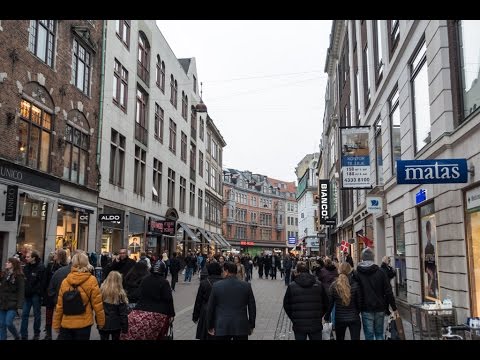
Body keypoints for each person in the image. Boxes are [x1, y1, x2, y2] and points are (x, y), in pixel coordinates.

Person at [53, 252, 105, 340]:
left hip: (66, 323)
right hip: (84, 323)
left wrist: (56, 325)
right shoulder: (92, 280)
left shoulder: (65, 281)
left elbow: (60, 306)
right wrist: (101, 322)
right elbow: (97, 304)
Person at [120, 261, 175, 340]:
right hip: (158, 313)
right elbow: (169, 299)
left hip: (140, 309)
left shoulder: (145, 279)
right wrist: (172, 314)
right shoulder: (164, 282)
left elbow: (140, 294)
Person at [354, 248, 398, 340]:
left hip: (366, 308)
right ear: (373, 258)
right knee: (379, 334)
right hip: (379, 307)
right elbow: (388, 291)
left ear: (362, 258)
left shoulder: (357, 273)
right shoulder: (380, 272)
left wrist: (356, 308)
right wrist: (394, 308)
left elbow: (356, 292)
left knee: (369, 335)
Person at [206, 262, 256, 340]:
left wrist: (209, 325)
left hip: (222, 325)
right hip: (241, 325)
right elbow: (252, 307)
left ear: (226, 271)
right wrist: (251, 325)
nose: (222, 273)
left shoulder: (217, 286)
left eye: (223, 271)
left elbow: (210, 308)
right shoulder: (246, 286)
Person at [283, 261, 329, 340]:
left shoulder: (292, 286)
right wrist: (319, 315)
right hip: (315, 324)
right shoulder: (318, 284)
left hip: (299, 325)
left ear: (297, 272)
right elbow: (326, 303)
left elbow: (286, 305)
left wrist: (294, 317)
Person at [325, 262, 362, 340]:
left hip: (340, 318)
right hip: (354, 317)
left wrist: (327, 316)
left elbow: (330, 304)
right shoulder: (355, 285)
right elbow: (359, 303)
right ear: (350, 271)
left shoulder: (334, 285)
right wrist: (356, 312)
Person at [192, 262, 224, 340]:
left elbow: (198, 301)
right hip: (221, 311)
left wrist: (195, 316)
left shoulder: (204, 283)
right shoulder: (224, 282)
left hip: (206, 311)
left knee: (205, 335)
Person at [42, 248, 68, 340]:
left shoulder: (65, 267)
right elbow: (45, 280)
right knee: (48, 314)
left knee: (60, 314)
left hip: (60, 294)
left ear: (60, 255)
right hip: (50, 293)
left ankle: (60, 332)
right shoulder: (50, 266)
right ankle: (48, 333)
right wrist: (46, 292)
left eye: (56, 253)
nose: (54, 255)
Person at [20, 250, 45, 340]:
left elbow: (42, 283)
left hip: (35, 295)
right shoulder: (26, 267)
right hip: (27, 295)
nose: (26, 258)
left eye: (28, 257)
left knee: (37, 314)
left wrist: (38, 292)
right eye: (26, 257)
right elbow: (24, 280)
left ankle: (36, 333)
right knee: (24, 314)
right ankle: (23, 334)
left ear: (33, 258)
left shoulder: (41, 267)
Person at [0, 257, 25, 340]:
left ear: (13, 264)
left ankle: (17, 336)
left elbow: (21, 292)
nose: (6, 263)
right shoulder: (4, 274)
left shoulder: (19, 276)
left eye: (8, 262)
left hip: (12, 304)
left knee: (8, 323)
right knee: (1, 324)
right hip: (3, 303)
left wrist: (19, 306)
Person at [99, 271, 129, 340]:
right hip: (116, 324)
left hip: (103, 322)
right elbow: (123, 314)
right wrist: (125, 328)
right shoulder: (120, 294)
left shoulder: (101, 291)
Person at [424, 220, 437, 298]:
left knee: (433, 278)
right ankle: (429, 289)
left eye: (430, 230)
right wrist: (427, 269)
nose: (429, 234)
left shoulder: (431, 245)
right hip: (430, 267)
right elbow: (425, 259)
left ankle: (430, 289)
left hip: (432, 266)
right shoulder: (428, 246)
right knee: (432, 277)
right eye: (428, 231)